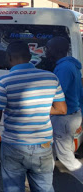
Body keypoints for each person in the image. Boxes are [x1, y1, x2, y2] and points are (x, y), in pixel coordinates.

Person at [0, 41, 67, 192]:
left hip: (13, 146)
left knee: (13, 188)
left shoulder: (3, 82)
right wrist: (39, 107)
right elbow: (61, 109)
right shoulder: (51, 78)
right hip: (43, 145)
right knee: (44, 188)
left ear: (8, 57)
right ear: (29, 56)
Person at [46, 36, 83, 183]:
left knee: (65, 157)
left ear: (56, 50)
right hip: (70, 115)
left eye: (48, 48)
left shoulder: (64, 68)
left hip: (64, 118)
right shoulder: (70, 65)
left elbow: (56, 95)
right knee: (50, 151)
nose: (45, 51)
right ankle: (43, 180)